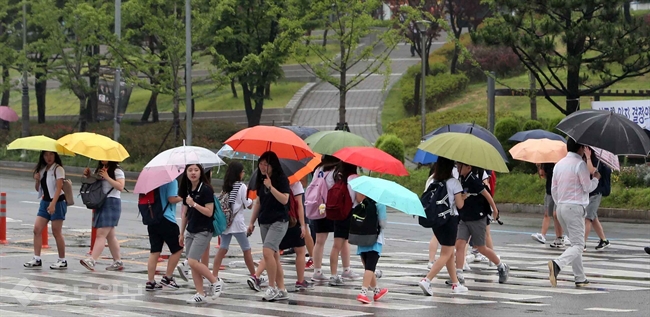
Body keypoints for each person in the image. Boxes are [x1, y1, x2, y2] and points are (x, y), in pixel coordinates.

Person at [548, 139, 600, 288]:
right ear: (581, 148)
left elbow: (554, 189)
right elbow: (587, 187)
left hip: (561, 207)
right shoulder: (580, 164)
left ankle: (580, 277)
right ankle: (557, 264)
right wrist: (596, 179)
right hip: (575, 207)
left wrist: (560, 202)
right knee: (578, 244)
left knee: (574, 243)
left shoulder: (559, 164)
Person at [418, 157, 469, 295]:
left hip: (437, 221)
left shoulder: (433, 181)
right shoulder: (454, 182)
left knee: (449, 253)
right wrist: (463, 197)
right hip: (450, 220)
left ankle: (455, 284)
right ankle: (427, 280)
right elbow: (459, 205)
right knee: (446, 253)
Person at [454, 163, 509, 284]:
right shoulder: (461, 179)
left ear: (469, 168)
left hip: (477, 218)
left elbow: (487, 195)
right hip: (465, 217)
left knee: (481, 247)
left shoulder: (474, 180)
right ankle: (458, 275)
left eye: (461, 166)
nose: (458, 168)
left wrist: (495, 210)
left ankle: (501, 266)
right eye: (457, 166)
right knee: (459, 245)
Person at [250, 180, 311, 291]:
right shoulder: (295, 184)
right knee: (300, 251)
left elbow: (258, 202)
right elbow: (299, 206)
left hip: (275, 221)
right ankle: (300, 281)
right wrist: (303, 225)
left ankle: (257, 275)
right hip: (292, 221)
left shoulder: (269, 181)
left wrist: (251, 222)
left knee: (271, 251)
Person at [247, 151, 291, 302]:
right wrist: (252, 222)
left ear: (273, 166)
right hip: (264, 221)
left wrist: (271, 187)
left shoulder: (281, 179)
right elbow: (258, 202)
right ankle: (282, 289)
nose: (263, 167)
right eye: (261, 163)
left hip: (279, 221)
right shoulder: (261, 179)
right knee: (274, 256)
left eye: (266, 164)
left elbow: (285, 200)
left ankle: (271, 287)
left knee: (267, 252)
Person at [178, 164, 222, 303]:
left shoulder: (206, 189)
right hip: (191, 230)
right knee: (193, 263)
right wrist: (181, 233)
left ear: (201, 172)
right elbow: (185, 214)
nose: (193, 173)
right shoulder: (187, 189)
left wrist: (194, 204)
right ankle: (200, 293)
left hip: (203, 230)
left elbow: (209, 212)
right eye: (190, 170)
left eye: (196, 170)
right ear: (185, 173)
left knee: (192, 260)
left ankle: (215, 281)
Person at [213, 162, 257, 286]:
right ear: (239, 173)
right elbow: (249, 205)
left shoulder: (226, 186)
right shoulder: (242, 186)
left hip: (226, 222)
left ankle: (214, 275)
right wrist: (251, 197)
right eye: (242, 172)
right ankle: (254, 275)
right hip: (237, 223)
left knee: (223, 248)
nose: (243, 174)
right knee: (246, 249)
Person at [24, 151, 68, 269]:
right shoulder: (43, 169)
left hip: (57, 202)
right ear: (42, 157)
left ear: (55, 156)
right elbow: (39, 189)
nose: (49, 157)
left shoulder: (58, 169)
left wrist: (53, 204)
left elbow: (59, 188)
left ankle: (62, 260)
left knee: (56, 231)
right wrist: (37, 179)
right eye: (46, 155)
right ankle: (37, 258)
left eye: (51, 155)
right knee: (37, 229)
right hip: (45, 202)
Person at [80, 161, 126, 271]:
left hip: (112, 202)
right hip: (101, 201)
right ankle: (117, 261)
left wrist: (107, 177)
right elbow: (95, 184)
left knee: (101, 234)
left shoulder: (117, 171)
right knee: (110, 235)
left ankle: (92, 260)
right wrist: (89, 175)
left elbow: (120, 186)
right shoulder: (100, 169)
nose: (102, 159)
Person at [145, 180, 183, 291]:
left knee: (155, 251)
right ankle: (168, 277)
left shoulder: (152, 181)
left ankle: (151, 282)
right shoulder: (171, 181)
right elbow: (171, 199)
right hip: (167, 219)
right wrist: (183, 197)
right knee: (178, 248)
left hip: (152, 219)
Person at [354, 193, 388, 304]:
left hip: (361, 240)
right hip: (374, 240)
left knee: (369, 268)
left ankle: (376, 291)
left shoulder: (362, 203)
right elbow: (382, 224)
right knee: (370, 268)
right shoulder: (380, 204)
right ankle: (363, 292)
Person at [532, 163, 566, 247]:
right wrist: (540, 166)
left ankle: (560, 237)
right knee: (547, 214)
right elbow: (542, 175)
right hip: (549, 191)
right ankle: (544, 236)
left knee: (556, 215)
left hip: (559, 192)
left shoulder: (561, 163)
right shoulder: (547, 163)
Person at [584, 149, 612, 251]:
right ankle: (604, 240)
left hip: (596, 192)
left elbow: (592, 171)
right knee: (593, 218)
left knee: (588, 218)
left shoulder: (596, 161)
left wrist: (587, 157)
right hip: (589, 192)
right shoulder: (586, 159)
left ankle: (582, 243)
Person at [424, 163, 439, 270]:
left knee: (437, 235)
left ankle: (431, 260)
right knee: (438, 236)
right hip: (440, 210)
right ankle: (432, 260)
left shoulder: (431, 179)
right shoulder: (438, 180)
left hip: (431, 209)